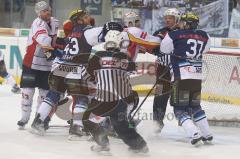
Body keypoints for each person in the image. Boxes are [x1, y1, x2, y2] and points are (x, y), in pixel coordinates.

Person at [30, 9, 124, 136]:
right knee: (82, 98)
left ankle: (38, 122)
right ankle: (76, 128)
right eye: (85, 17)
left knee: (53, 95)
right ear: (79, 20)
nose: (89, 18)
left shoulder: (72, 33)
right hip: (75, 70)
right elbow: (107, 31)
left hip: (60, 68)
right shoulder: (88, 31)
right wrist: (118, 26)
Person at [83, 30, 149, 154]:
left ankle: (103, 144)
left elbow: (87, 76)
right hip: (121, 100)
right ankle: (140, 147)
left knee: (87, 119)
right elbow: (132, 70)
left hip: (103, 99)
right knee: (121, 126)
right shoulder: (125, 58)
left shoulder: (98, 56)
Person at [160, 13, 213, 145]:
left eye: (182, 22)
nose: (180, 24)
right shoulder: (205, 35)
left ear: (187, 23)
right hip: (196, 78)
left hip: (181, 77)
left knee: (179, 109)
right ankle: (207, 133)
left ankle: (193, 133)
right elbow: (206, 50)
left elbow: (163, 49)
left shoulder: (174, 34)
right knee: (195, 106)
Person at [17, 1, 59, 129]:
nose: (47, 12)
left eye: (48, 10)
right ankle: (24, 118)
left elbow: (53, 41)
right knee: (27, 92)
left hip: (46, 66)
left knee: (44, 94)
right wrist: (53, 52)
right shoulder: (38, 23)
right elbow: (44, 41)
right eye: (44, 11)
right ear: (39, 13)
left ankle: (38, 119)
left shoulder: (54, 22)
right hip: (31, 64)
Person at [152, 8, 180, 132]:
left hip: (178, 69)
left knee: (179, 95)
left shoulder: (183, 32)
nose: (168, 20)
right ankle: (157, 122)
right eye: (166, 17)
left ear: (177, 20)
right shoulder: (160, 32)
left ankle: (185, 119)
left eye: (171, 18)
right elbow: (152, 48)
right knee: (159, 95)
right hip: (162, 70)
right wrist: (159, 52)